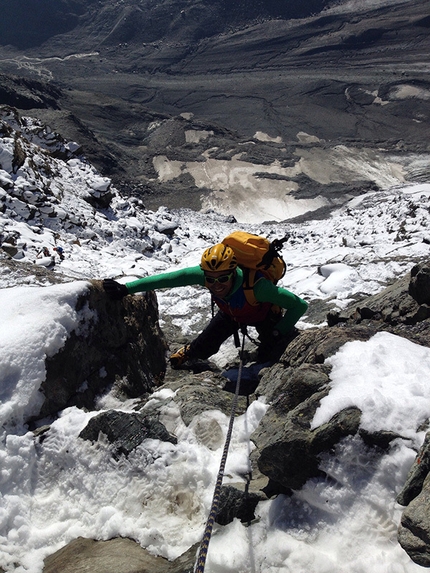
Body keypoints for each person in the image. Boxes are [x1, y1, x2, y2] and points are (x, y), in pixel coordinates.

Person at [103, 243, 308, 368]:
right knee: (203, 347)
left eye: (223, 279)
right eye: (210, 280)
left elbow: (299, 305)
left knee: (268, 355)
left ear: (233, 272)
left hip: (263, 316)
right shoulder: (207, 274)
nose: (216, 285)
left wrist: (278, 331)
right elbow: (166, 279)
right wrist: (126, 288)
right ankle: (190, 352)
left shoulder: (259, 287)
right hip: (232, 314)